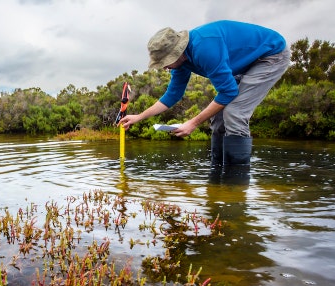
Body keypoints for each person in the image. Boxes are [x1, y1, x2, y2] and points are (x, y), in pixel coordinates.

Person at [118, 20, 290, 173]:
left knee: (234, 112)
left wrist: (193, 123)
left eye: (165, 62)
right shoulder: (180, 63)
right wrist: (139, 117)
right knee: (218, 116)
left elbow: (228, 92)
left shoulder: (205, 48)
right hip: (244, 63)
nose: (164, 67)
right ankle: (217, 172)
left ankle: (236, 181)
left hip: (270, 55)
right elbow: (172, 95)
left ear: (177, 53)